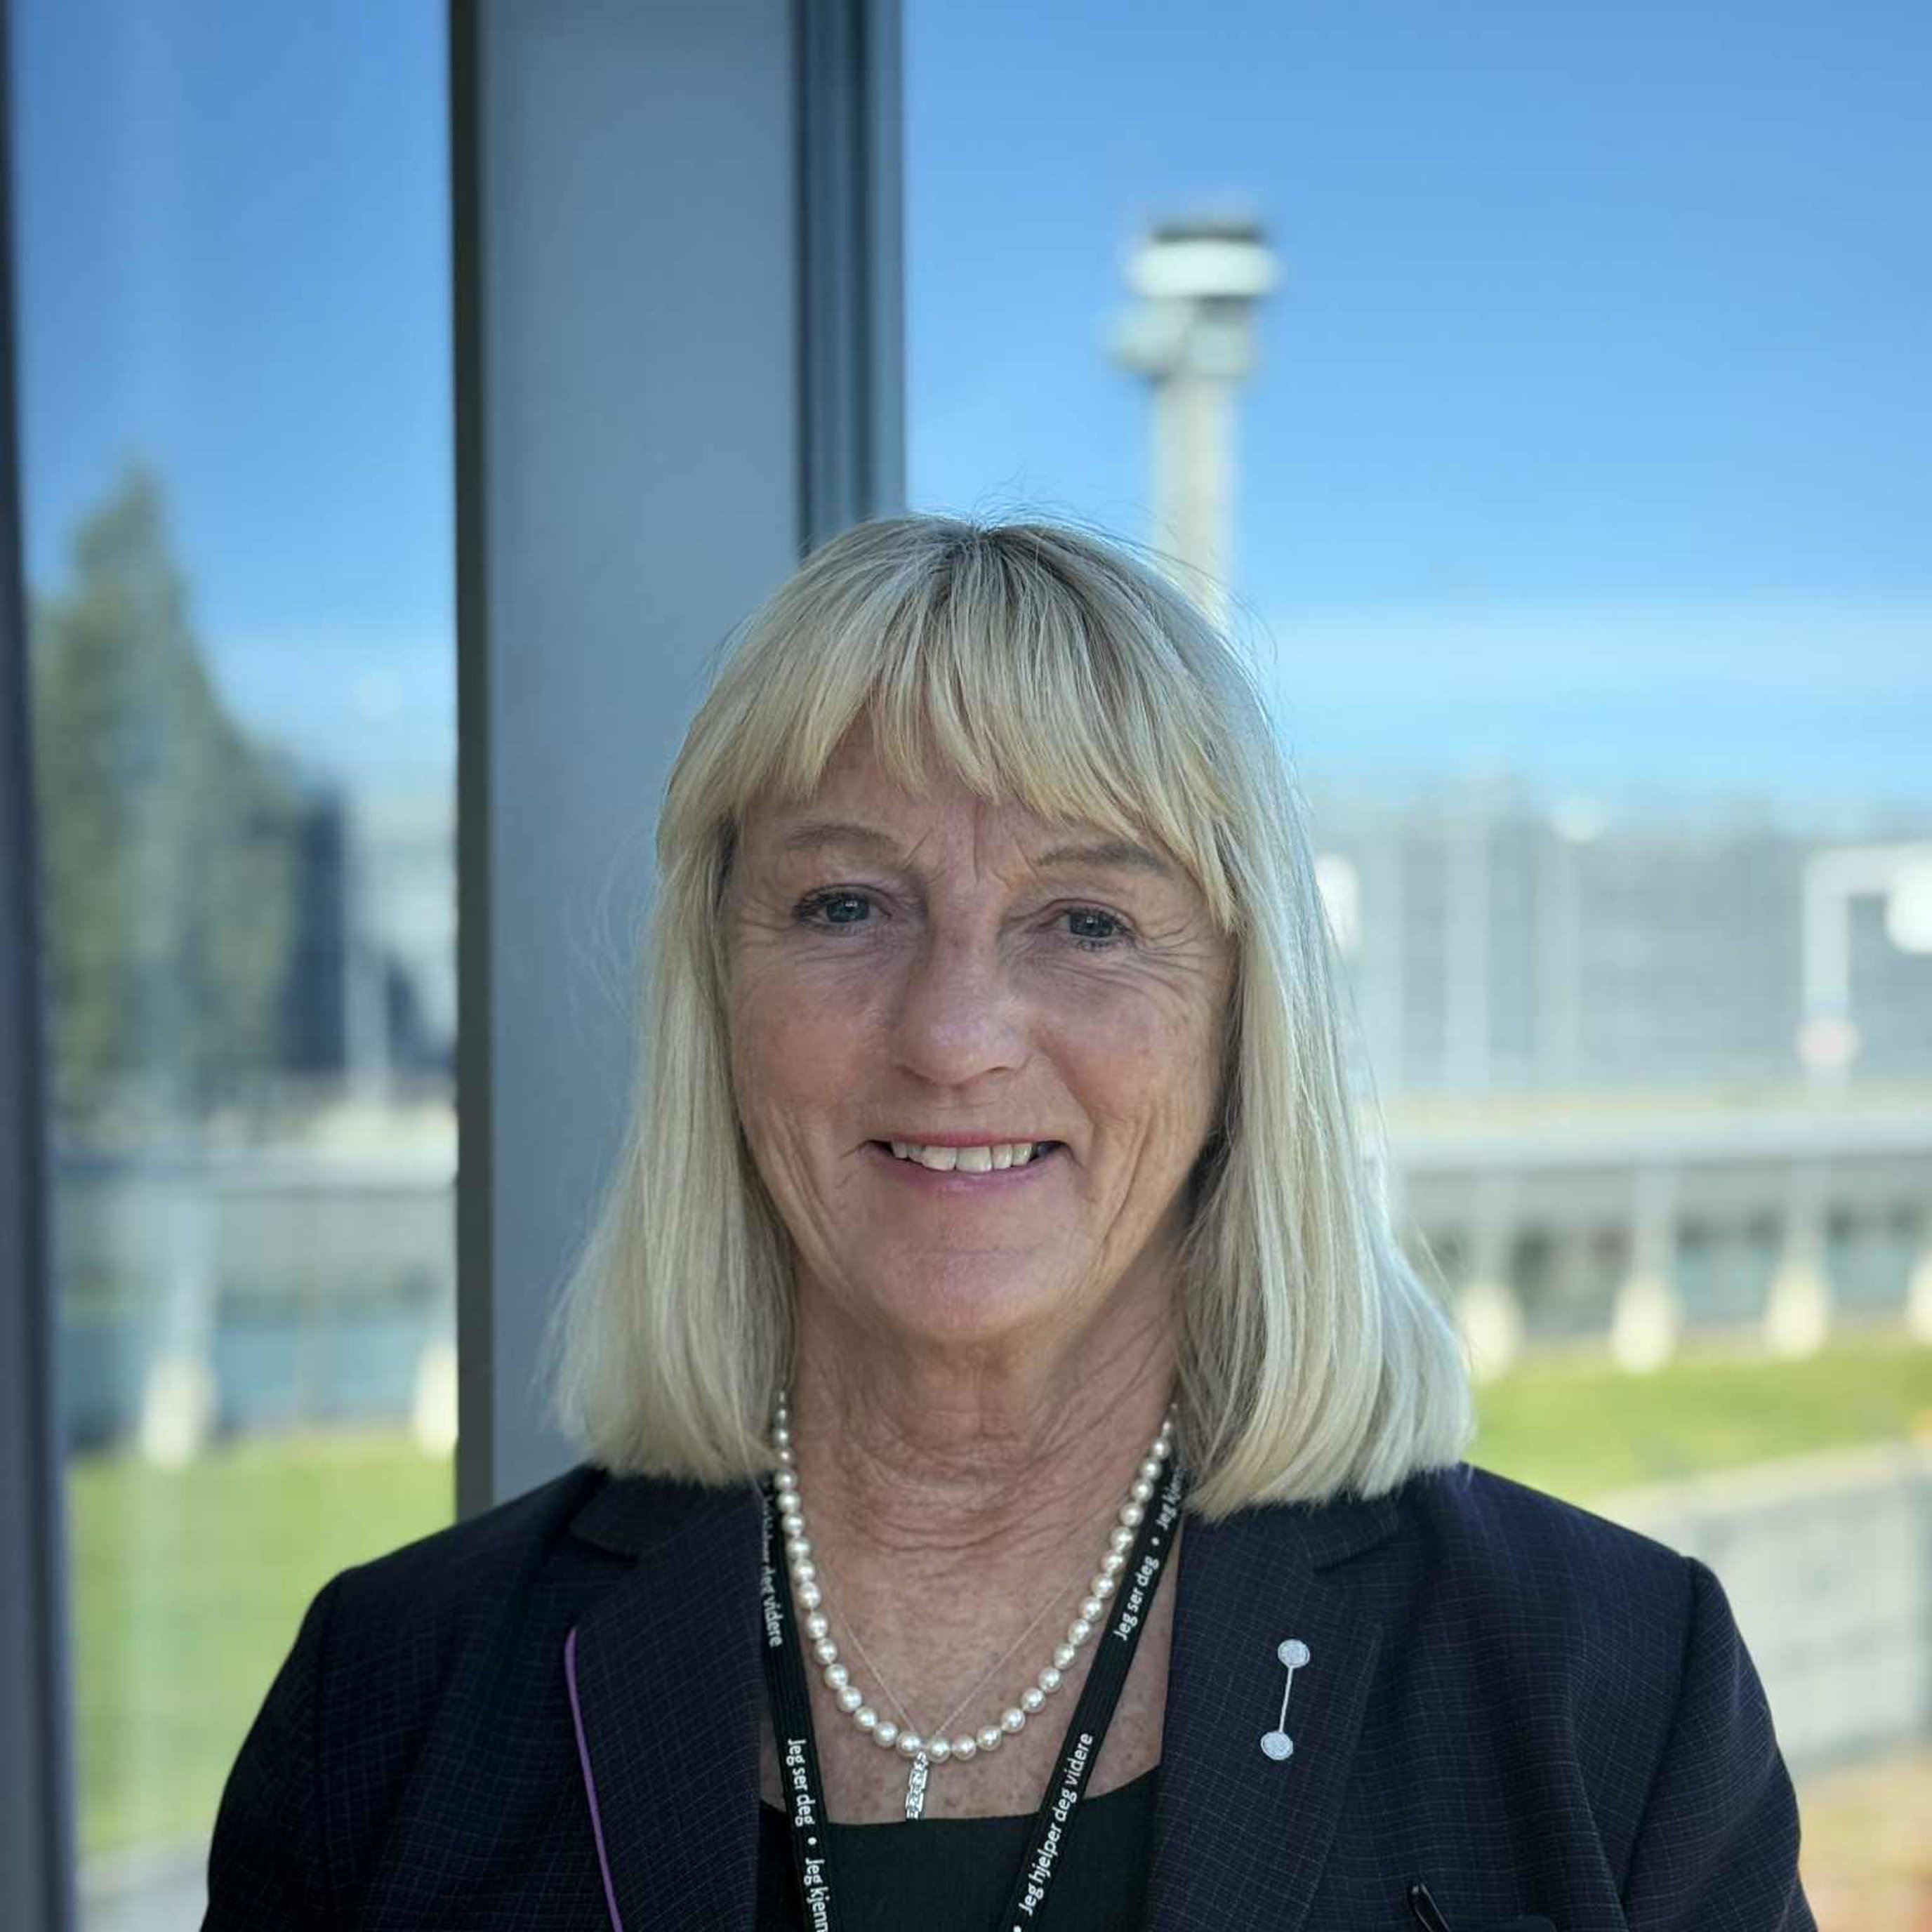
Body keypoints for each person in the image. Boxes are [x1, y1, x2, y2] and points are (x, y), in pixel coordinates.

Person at [204, 516, 1813, 1931]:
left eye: (1087, 919)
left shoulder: (1604, 1677)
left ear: (1243, 1019)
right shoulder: (393, 1694)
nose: (957, 1027)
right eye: (845, 903)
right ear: (715, 993)